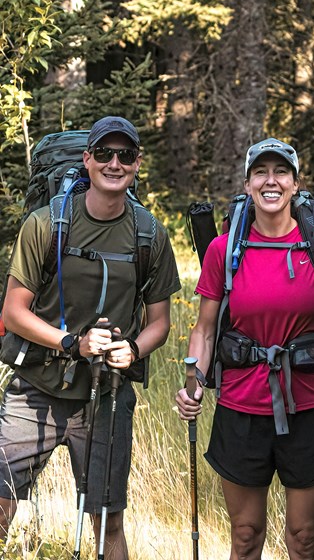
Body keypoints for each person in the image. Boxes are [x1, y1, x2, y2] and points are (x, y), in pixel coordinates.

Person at [175, 137, 314, 560]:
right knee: (245, 536)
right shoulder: (223, 250)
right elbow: (205, 330)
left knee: (303, 539)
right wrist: (193, 383)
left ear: (295, 184)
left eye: (280, 172)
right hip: (241, 409)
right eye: (260, 172)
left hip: (312, 408)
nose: (271, 181)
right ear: (247, 185)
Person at [0, 116, 181, 559]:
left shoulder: (150, 234)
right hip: (37, 388)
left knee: (108, 522)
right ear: (87, 159)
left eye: (124, 155)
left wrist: (133, 348)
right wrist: (71, 344)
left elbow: (160, 321)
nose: (113, 163)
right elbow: (13, 312)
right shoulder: (46, 225)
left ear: (137, 163)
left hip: (107, 395)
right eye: (104, 153)